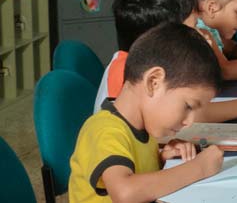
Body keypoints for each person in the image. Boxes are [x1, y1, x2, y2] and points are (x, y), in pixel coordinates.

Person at [93, 0, 237, 122]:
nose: (202, 36)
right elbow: (192, 115)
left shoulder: (150, 64)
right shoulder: (127, 76)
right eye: (194, 28)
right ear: (159, 39)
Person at [69, 23, 224, 202]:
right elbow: (125, 192)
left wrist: (162, 158)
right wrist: (199, 168)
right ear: (153, 82)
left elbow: (135, 171)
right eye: (188, 106)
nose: (189, 122)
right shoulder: (104, 130)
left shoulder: (143, 126)